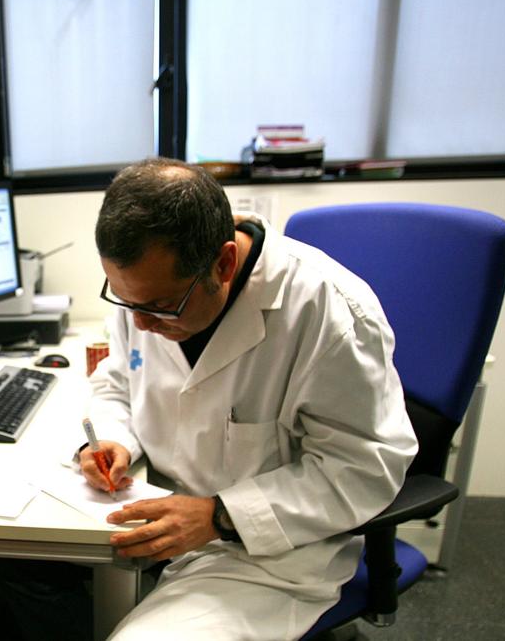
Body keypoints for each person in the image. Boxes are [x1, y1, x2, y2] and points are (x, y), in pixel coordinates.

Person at [81, 157, 418, 640]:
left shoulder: (329, 312)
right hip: (152, 507)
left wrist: (220, 514)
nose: (140, 325)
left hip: (262, 556)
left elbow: (365, 468)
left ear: (223, 263)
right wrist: (113, 439)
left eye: (158, 307)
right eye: (123, 299)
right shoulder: (149, 290)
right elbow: (117, 382)